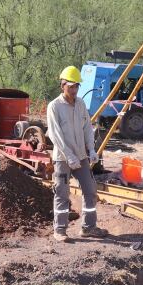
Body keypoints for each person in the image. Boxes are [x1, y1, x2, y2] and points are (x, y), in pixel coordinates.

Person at [46, 66, 106, 242]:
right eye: (71, 86)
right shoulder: (54, 106)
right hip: (63, 159)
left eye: (76, 87)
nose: (74, 90)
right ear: (62, 86)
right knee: (62, 193)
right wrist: (68, 155)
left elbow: (87, 128)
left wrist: (92, 149)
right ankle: (60, 230)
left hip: (81, 156)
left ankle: (89, 227)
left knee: (90, 190)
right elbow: (55, 134)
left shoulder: (80, 104)